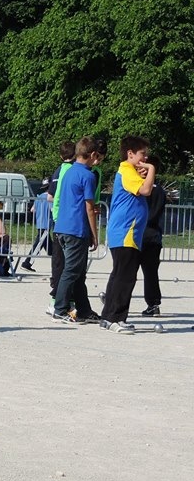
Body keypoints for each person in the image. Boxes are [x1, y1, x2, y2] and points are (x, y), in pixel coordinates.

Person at [99, 136, 156, 333]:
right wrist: (152, 169)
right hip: (126, 232)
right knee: (125, 277)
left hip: (127, 233)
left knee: (119, 275)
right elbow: (146, 190)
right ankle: (116, 318)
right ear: (130, 154)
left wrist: (143, 173)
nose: (145, 158)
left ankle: (107, 317)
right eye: (142, 154)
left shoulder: (129, 171)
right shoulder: (126, 170)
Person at [51, 136, 104, 324]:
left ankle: (84, 310)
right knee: (72, 271)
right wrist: (94, 235)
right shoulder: (88, 176)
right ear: (92, 154)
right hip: (76, 229)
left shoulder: (69, 171)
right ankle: (60, 309)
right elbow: (89, 208)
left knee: (79, 273)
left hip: (62, 227)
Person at [47, 141, 76, 303]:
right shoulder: (73, 170)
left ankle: (58, 291)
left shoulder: (58, 170)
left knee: (59, 260)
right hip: (67, 220)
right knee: (67, 261)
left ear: (60, 155)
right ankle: (59, 296)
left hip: (57, 219)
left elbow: (50, 196)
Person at [139, 155, 166, 317]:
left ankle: (118, 301)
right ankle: (153, 304)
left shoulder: (143, 188)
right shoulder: (160, 191)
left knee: (126, 272)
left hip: (141, 234)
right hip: (154, 236)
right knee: (151, 273)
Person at [20, 188, 52, 272]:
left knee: (49, 246)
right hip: (46, 224)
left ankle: (58, 261)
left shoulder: (39, 197)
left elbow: (32, 209)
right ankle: (27, 263)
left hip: (39, 223)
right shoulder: (50, 198)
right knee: (38, 245)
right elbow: (52, 209)